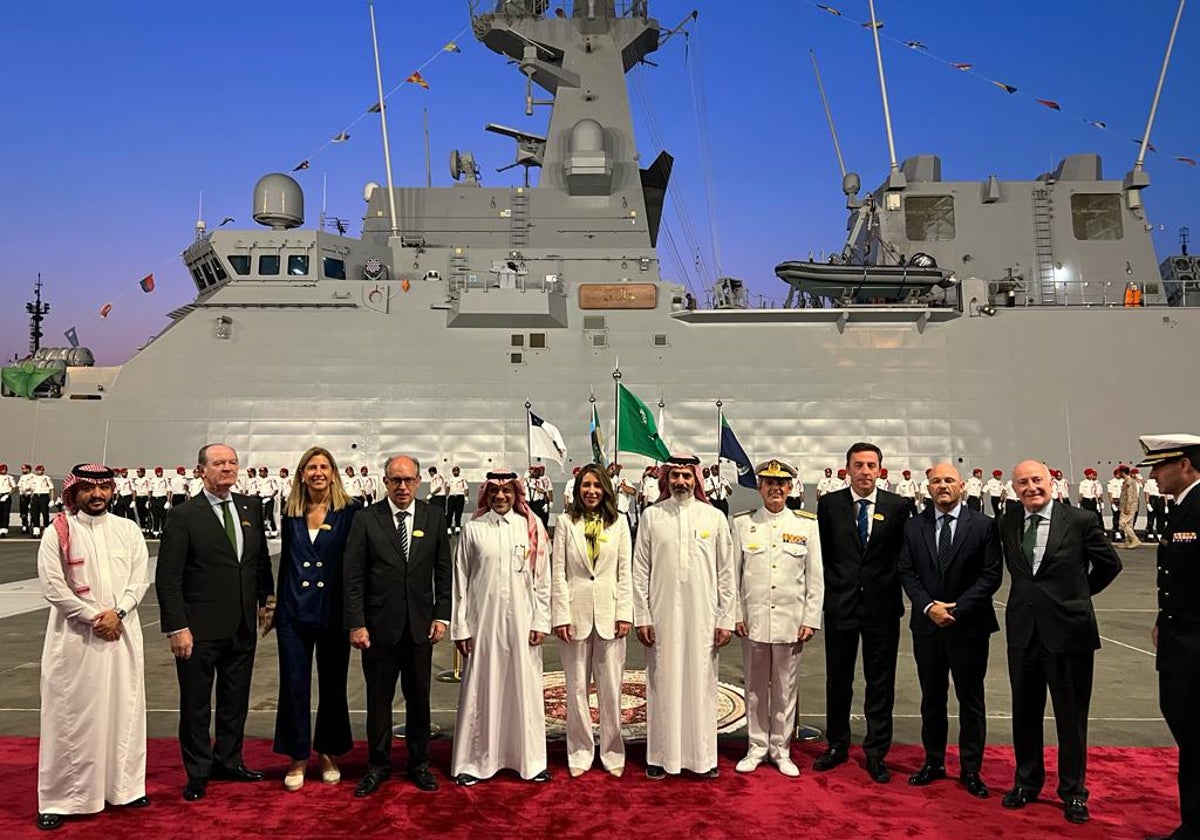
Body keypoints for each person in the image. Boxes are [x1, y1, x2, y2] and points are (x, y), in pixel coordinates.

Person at [1000, 460, 1122, 824]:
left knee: (1071, 717)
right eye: (1022, 483)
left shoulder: (1080, 521)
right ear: (1014, 488)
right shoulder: (1007, 521)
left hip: (1070, 633)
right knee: (1025, 713)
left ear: (1051, 481)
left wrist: (1078, 598)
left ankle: (1073, 792)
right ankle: (1027, 782)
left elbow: (1109, 565)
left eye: (1036, 480)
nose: (1030, 487)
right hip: (1024, 632)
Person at [155, 443, 274, 802]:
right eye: (219, 463)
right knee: (196, 704)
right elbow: (168, 578)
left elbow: (259, 562)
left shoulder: (249, 507)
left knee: (235, 699)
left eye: (232, 462)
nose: (227, 468)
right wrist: (177, 627)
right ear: (200, 470)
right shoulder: (183, 516)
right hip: (198, 629)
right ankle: (198, 771)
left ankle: (229, 760)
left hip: (241, 625)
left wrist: (267, 601)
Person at [35, 464, 150, 831]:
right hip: (75, 640)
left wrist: (118, 613)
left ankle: (124, 788)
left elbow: (139, 579)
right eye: (88, 489)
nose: (96, 496)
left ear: (112, 491)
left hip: (123, 634)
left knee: (123, 709)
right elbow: (53, 587)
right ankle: (61, 798)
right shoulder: (58, 532)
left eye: (102, 489)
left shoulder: (128, 530)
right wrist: (93, 617)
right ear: (75, 493)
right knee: (73, 716)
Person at [345, 454, 451, 795]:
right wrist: (356, 623)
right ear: (385, 482)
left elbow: (442, 571)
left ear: (418, 481)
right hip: (378, 630)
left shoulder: (434, 517)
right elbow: (353, 577)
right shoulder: (366, 519)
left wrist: (441, 614)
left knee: (419, 699)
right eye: (395, 480)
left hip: (420, 627)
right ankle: (377, 765)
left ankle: (419, 763)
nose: (402, 486)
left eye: (408, 480)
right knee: (379, 701)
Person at [896, 463, 1001, 798]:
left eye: (949, 480)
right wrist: (929, 608)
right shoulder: (914, 526)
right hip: (928, 627)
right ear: (928, 487)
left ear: (962, 486)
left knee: (971, 700)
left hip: (968, 626)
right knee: (932, 698)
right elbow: (907, 571)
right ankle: (934, 762)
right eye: (936, 481)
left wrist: (956, 608)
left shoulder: (984, 526)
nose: (943, 486)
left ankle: (971, 770)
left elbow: (991, 575)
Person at [813, 442, 915, 783]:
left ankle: (876, 752)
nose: (865, 471)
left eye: (872, 465)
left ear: (880, 470)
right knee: (838, 680)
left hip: (882, 609)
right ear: (848, 468)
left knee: (880, 683)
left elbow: (904, 557)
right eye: (859, 465)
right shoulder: (830, 505)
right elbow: (823, 556)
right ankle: (837, 745)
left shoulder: (899, 506)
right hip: (841, 607)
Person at [633, 453, 735, 779]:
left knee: (702, 683)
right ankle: (660, 756)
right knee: (662, 682)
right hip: (661, 616)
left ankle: (703, 758)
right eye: (675, 476)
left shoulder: (714, 517)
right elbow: (640, 571)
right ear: (666, 479)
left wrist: (725, 619)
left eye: (686, 476)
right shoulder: (651, 517)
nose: (680, 482)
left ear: (696, 480)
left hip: (704, 618)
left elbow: (726, 573)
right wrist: (642, 616)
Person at [451, 469, 552, 785]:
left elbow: (542, 580)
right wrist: (461, 627)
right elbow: (461, 582)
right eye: (494, 492)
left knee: (523, 688)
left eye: (507, 491)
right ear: (486, 495)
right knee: (482, 687)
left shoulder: (530, 528)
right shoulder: (473, 529)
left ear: (516, 494)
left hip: (523, 623)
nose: (500, 496)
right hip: (483, 624)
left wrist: (541, 620)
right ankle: (474, 762)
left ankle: (530, 761)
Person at [270, 447, 361, 791]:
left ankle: (327, 752)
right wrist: (275, 606)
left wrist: (356, 614)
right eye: (312, 467)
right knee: (293, 685)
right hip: (294, 612)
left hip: (333, 611)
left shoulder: (350, 511)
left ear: (334, 473)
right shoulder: (291, 512)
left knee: (333, 686)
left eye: (324, 466)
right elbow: (287, 564)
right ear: (302, 474)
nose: (318, 472)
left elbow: (355, 566)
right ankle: (296, 757)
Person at [732, 459, 822, 777]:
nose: (775, 488)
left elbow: (815, 577)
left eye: (781, 483)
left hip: (790, 621)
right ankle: (756, 746)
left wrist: (810, 618)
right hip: (754, 619)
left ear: (790, 488)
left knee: (785, 688)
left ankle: (781, 749)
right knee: (755, 688)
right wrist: (734, 615)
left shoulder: (805, 525)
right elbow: (732, 575)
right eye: (768, 483)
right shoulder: (742, 524)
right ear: (759, 487)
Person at [551, 463, 633, 777]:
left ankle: (613, 751)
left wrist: (625, 612)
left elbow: (623, 573)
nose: (591, 491)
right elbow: (559, 573)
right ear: (577, 489)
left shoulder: (620, 524)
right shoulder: (564, 523)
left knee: (611, 689)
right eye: (586, 485)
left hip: (611, 615)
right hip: (575, 614)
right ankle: (580, 750)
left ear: (606, 490)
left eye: (597, 486)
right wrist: (560, 615)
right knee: (576, 688)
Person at [1139, 435, 1200, 840]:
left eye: (1159, 467)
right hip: (1181, 636)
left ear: (1185, 465)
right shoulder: (1183, 508)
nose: (1154, 476)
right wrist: (1166, 617)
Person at [1118, 464, 1142, 548]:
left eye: (1120, 472)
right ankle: (1128, 542)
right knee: (1129, 524)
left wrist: (1127, 506)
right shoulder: (1128, 480)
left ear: (1122, 472)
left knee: (1122, 522)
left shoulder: (1128, 481)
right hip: (1130, 505)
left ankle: (1134, 539)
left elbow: (1129, 494)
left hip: (1128, 505)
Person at [30, 463, 54, 536]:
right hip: (35, 496)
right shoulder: (33, 478)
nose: (40, 471)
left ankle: (46, 528)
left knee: (45, 513)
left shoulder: (47, 478)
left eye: (41, 470)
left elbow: (51, 489)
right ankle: (36, 530)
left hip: (44, 496)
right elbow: (31, 489)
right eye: (38, 470)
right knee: (35, 513)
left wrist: (52, 499)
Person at [446, 465, 469, 533]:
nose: (456, 472)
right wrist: (447, 496)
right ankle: (448, 527)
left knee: (458, 513)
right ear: (452, 472)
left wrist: (466, 497)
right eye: (454, 471)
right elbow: (447, 488)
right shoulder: (450, 479)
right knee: (449, 513)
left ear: (459, 472)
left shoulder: (462, 479)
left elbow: (466, 489)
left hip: (460, 497)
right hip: (451, 497)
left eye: (457, 471)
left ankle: (457, 527)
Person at [1107, 468, 1125, 540]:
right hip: (1115, 500)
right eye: (1117, 474)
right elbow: (1110, 493)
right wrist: (1112, 503)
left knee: (1123, 517)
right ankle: (1116, 532)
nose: (1118, 475)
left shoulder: (1124, 481)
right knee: (1116, 517)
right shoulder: (1111, 482)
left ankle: (1123, 532)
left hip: (1123, 500)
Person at [18, 463, 34, 534]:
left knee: (32, 510)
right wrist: (21, 492)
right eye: (22, 469)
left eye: (24, 468)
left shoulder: (33, 476)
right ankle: (24, 525)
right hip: (23, 496)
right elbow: (19, 486)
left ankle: (33, 524)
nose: (23, 470)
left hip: (31, 495)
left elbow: (35, 486)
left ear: (28, 469)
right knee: (23, 511)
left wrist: (30, 489)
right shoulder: (22, 477)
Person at [0, 463, 14, 536]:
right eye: (2, 469)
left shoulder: (9, 477)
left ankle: (4, 529)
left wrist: (7, 496)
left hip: (6, 495)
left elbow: (14, 488)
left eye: (4, 469)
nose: (3, 471)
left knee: (5, 513)